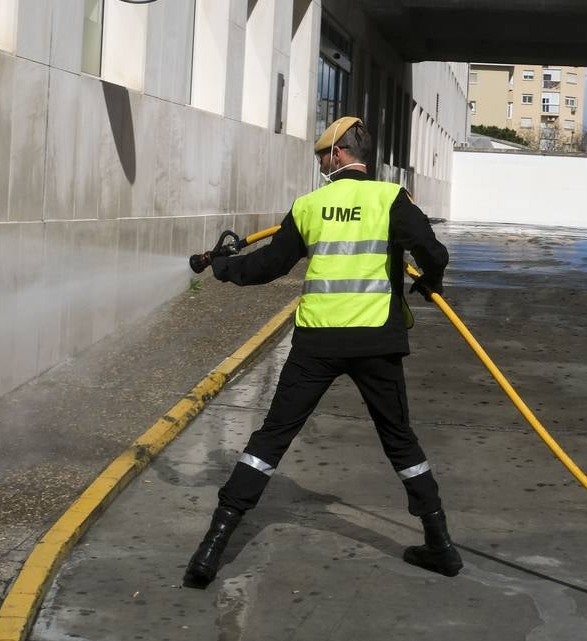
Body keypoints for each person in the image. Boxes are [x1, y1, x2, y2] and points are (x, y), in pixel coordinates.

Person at [183, 115, 461, 588]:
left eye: (321, 156)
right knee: (400, 441)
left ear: (337, 155)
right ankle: (441, 546)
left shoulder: (310, 205)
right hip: (376, 341)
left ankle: (211, 550)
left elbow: (268, 266)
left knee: (271, 439)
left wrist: (224, 268)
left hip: (316, 343)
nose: (320, 164)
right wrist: (429, 282)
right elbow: (433, 252)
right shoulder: (390, 198)